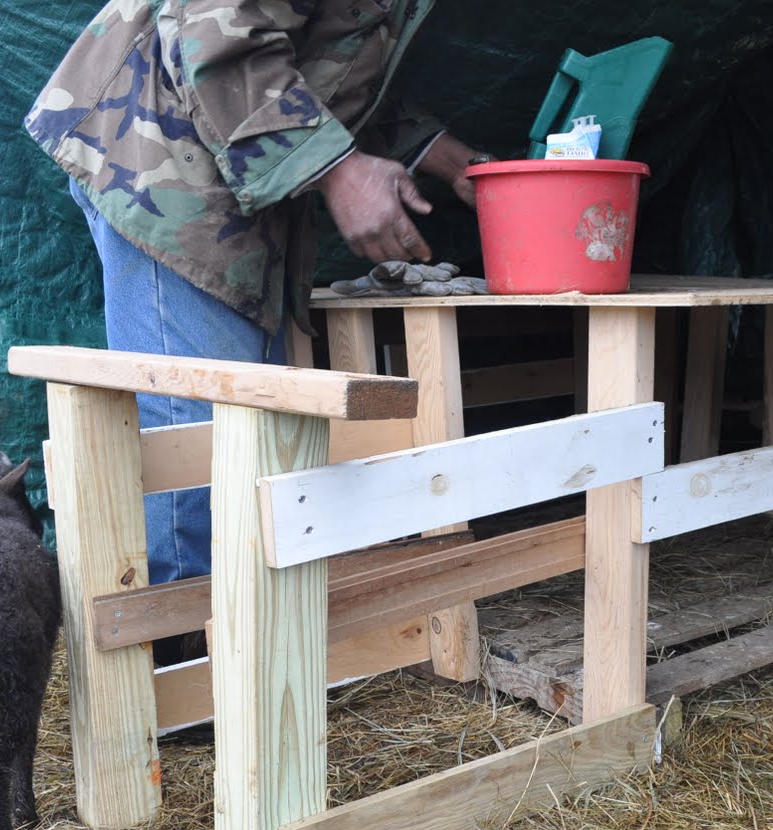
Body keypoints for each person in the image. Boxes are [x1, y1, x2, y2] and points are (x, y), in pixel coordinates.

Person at [24, 0, 477, 651]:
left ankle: (240, 660)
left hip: (238, 173)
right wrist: (339, 170)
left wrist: (452, 160)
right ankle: (189, 681)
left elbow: (331, 70)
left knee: (249, 441)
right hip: (164, 158)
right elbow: (214, 33)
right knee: (197, 437)